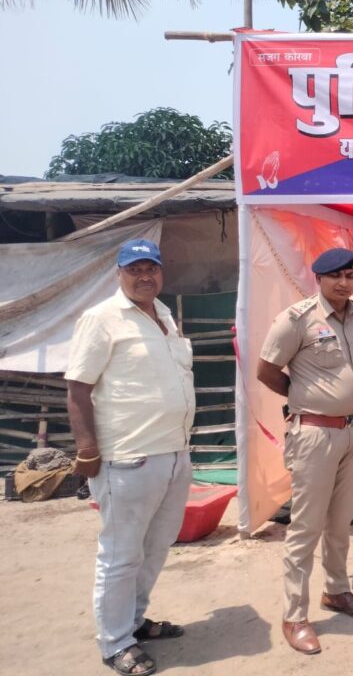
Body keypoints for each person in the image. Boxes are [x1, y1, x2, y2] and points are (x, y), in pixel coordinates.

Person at [66, 239, 195, 676]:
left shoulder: (164, 315)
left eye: (151, 268)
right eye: (134, 269)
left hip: (174, 452)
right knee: (121, 555)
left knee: (156, 546)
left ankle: (134, 622)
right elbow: (78, 388)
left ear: (161, 272)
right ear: (118, 274)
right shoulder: (101, 318)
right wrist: (87, 450)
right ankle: (114, 642)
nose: (144, 276)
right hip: (128, 458)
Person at [257, 248, 353, 656]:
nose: (344, 283)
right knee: (306, 526)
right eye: (336, 276)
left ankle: (337, 591)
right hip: (315, 433)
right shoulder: (296, 319)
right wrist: (304, 396)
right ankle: (294, 615)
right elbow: (266, 370)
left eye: (350, 275)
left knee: (341, 521)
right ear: (319, 278)